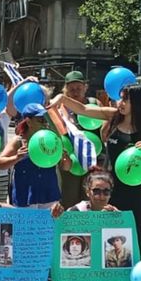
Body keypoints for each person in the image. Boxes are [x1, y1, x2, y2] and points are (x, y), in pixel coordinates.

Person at [50, 83, 141, 255]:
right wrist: (62, 99)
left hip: (136, 192)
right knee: (106, 232)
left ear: (137, 103)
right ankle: (102, 278)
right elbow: (84, 109)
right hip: (110, 190)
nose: (120, 103)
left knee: (134, 233)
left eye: (126, 99)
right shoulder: (114, 117)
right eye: (120, 98)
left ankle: (134, 278)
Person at [52, 170, 125, 281]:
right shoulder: (75, 212)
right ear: (87, 192)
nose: (101, 196)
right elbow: (60, 241)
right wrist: (56, 219)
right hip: (78, 271)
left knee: (121, 263)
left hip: (101, 270)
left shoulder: (113, 214)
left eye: (106, 192)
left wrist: (119, 223)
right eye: (96, 191)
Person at [0, 103, 69, 209]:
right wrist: (17, 157)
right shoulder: (18, 141)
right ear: (28, 121)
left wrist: (65, 159)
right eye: (40, 120)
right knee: (24, 225)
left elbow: (66, 167)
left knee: (49, 225)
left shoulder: (52, 140)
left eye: (45, 120)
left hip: (49, 195)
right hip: (25, 196)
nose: (44, 123)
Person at [55, 71, 103, 207]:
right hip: (70, 160)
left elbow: (104, 130)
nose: (75, 92)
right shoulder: (60, 107)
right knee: (68, 198)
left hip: (94, 159)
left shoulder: (94, 104)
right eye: (71, 89)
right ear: (66, 89)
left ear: (85, 88)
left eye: (78, 88)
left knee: (91, 199)